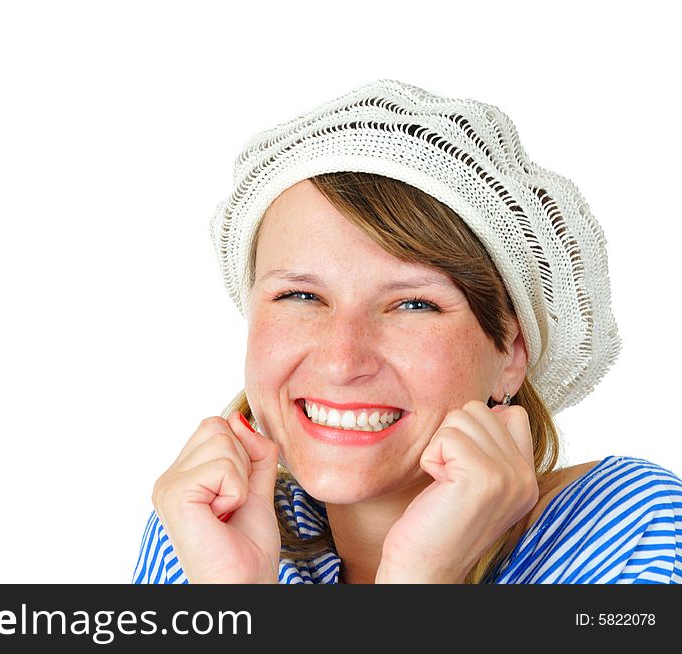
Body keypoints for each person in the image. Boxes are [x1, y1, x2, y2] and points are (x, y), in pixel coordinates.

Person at [133, 79, 682, 584]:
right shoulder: (208, 528)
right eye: (301, 296)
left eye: (413, 305)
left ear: (511, 353)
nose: (340, 361)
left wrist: (420, 579)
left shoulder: (631, 529)